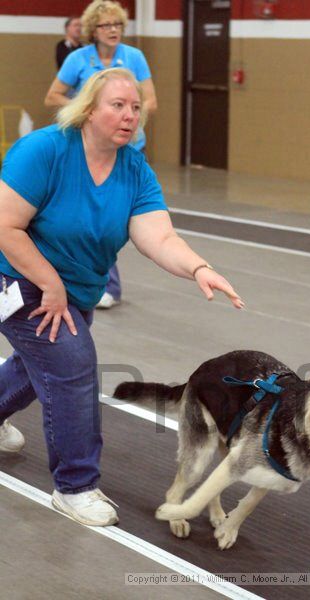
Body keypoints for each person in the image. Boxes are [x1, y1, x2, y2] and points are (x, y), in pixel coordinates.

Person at [0, 68, 243, 527]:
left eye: (135, 107)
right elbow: (5, 226)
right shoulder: (44, 150)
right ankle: (75, 487)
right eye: (117, 105)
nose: (130, 115)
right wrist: (50, 284)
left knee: (36, 367)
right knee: (71, 364)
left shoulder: (133, 168)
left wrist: (199, 267)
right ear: (89, 108)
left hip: (74, 290)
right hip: (15, 276)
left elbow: (159, 237)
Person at [45, 0, 158, 309]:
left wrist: (127, 117)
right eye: (106, 25)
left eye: (118, 25)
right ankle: (99, 283)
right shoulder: (78, 59)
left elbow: (150, 101)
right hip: (88, 149)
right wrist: (84, 111)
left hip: (129, 148)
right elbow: (52, 95)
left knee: (113, 217)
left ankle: (104, 283)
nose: (113, 31)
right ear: (92, 30)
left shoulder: (134, 57)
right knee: (89, 216)